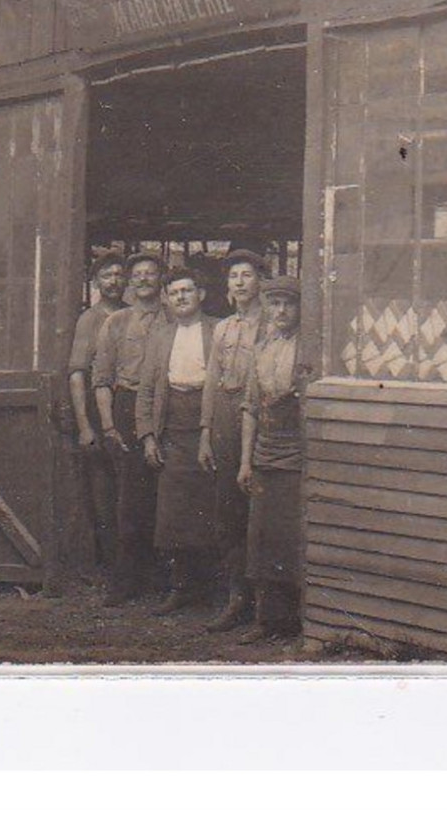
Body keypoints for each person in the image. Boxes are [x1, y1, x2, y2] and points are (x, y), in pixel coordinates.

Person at [136, 266, 217, 615]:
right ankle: (182, 587)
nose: (181, 297)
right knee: (174, 514)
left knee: (212, 510)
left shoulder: (218, 330)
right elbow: (148, 389)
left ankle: (213, 589)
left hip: (209, 426)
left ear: (201, 294)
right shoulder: (161, 335)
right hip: (172, 430)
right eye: (174, 292)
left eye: (187, 290)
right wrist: (148, 436)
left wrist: (210, 430)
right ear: (167, 299)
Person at [91, 252, 168, 606]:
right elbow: (102, 379)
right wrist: (108, 425)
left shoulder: (173, 318)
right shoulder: (117, 323)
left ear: (160, 280)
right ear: (130, 282)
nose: (143, 279)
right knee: (129, 500)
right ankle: (124, 582)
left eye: (151, 273)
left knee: (164, 496)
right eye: (137, 274)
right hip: (126, 406)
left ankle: (163, 581)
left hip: (166, 409)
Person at [237, 274, 311, 643]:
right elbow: (250, 406)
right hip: (264, 453)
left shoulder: (307, 349)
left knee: (291, 537)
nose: (281, 311)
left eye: (289, 304)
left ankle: (297, 623)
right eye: (275, 304)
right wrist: (245, 461)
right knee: (262, 538)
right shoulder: (261, 347)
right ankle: (267, 620)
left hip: (295, 454)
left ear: (299, 309)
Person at [197, 249, 268, 632]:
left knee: (260, 511)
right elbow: (211, 380)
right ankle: (235, 597)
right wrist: (206, 432)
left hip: (260, 417)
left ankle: (264, 603)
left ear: (260, 281)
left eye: (246, 275)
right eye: (233, 277)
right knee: (228, 512)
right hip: (225, 417)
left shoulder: (271, 324)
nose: (239, 282)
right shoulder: (223, 329)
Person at [65, 251, 126, 572]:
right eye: (107, 275)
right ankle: (108, 566)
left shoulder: (131, 314)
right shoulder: (90, 318)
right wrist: (84, 426)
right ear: (96, 282)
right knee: (103, 494)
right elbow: (77, 373)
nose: (114, 281)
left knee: (127, 491)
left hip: (125, 408)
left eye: (118, 274)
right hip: (96, 408)